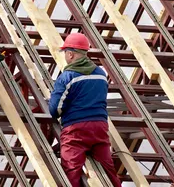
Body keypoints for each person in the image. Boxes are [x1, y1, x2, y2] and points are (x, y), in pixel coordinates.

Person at [48, 33, 122, 187]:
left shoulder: (67, 77)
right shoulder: (101, 74)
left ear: (70, 54)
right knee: (109, 169)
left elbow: (55, 109)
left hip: (76, 130)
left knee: (71, 170)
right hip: (100, 127)